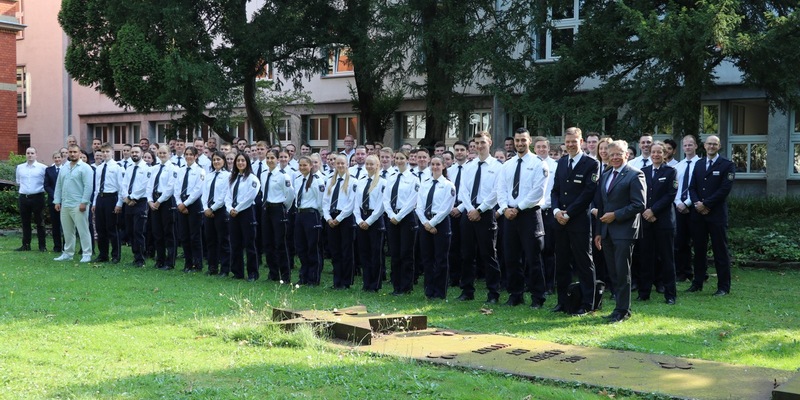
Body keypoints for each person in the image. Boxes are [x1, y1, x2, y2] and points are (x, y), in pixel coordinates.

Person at [593, 140, 646, 323]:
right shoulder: (606, 173)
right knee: (613, 272)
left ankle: (623, 310)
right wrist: (599, 231)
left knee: (623, 271)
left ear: (627, 155)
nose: (615, 157)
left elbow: (639, 204)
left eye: (619, 154)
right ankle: (618, 307)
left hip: (624, 230)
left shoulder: (635, 174)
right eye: (612, 154)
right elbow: (601, 205)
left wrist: (615, 215)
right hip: (607, 231)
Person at [497, 128, 550, 308]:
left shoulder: (538, 164)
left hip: (529, 215)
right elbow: (501, 189)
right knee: (511, 258)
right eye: (517, 140)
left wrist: (517, 208)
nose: (520, 143)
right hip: (510, 216)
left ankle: (538, 297)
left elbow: (538, 192)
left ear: (530, 142)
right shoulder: (508, 165)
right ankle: (515, 295)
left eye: (523, 140)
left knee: (533, 258)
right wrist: (505, 208)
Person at [551, 128, 600, 315]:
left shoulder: (591, 163)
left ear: (582, 142)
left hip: (578, 221)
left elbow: (588, 193)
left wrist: (568, 213)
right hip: (560, 221)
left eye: (574, 141)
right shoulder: (562, 162)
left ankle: (588, 302)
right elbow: (555, 190)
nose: (571, 145)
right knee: (562, 262)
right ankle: (563, 301)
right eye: (568, 141)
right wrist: (556, 211)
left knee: (584, 262)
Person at [456, 132, 502, 303]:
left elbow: (496, 192)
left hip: (486, 213)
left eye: (483, 142)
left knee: (489, 254)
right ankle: (467, 291)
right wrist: (470, 209)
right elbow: (463, 190)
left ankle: (493, 293)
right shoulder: (469, 166)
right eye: (476, 143)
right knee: (467, 254)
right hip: (469, 213)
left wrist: (480, 210)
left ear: (489, 142)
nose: (479, 146)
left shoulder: (498, 166)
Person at [688, 135, 735, 296]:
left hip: (716, 215)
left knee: (720, 250)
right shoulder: (699, 164)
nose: (711, 146)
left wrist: (706, 204)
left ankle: (723, 287)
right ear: (704, 145)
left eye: (715, 144)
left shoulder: (727, 165)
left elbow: (724, 189)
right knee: (699, 250)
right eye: (709, 144)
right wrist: (697, 204)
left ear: (719, 146)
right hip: (699, 215)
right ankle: (697, 283)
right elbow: (692, 187)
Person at [640, 142, 678, 304]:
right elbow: (638, 194)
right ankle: (644, 292)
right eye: (653, 152)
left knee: (667, 258)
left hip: (663, 222)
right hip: (646, 221)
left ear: (664, 155)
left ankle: (670, 294)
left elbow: (670, 195)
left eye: (659, 152)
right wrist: (645, 211)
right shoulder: (643, 172)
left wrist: (653, 211)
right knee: (645, 258)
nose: (655, 155)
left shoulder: (671, 172)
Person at [416, 155, 456, 300]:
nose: (435, 167)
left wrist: (432, 223)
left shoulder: (448, 185)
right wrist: (425, 223)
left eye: (438, 164)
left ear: (444, 166)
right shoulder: (424, 183)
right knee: (427, 259)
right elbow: (419, 206)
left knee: (440, 259)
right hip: (425, 222)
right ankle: (429, 290)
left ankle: (440, 292)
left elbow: (446, 208)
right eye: (432, 164)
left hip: (441, 224)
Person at [383, 150, 418, 295]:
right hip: (392, 218)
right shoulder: (391, 177)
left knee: (406, 253)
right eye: (396, 158)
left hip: (406, 217)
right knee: (395, 253)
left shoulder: (413, 178)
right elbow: (386, 198)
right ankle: (396, 285)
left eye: (402, 158)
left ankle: (406, 286)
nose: (399, 161)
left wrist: (400, 216)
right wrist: (391, 214)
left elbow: (413, 200)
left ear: (408, 159)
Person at [53, 145, 95, 263]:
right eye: (70, 152)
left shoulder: (85, 168)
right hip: (66, 203)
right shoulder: (64, 168)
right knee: (67, 231)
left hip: (79, 204)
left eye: (74, 152)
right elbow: (59, 185)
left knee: (83, 230)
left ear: (79, 153)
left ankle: (87, 253)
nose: (72, 154)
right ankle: (68, 253)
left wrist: (84, 202)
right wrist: (57, 201)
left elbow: (88, 186)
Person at [261, 149, 295, 283]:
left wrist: (284, 207)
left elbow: (290, 194)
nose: (269, 160)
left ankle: (285, 275)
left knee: (281, 244)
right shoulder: (264, 174)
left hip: (278, 209)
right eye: (267, 158)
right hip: (266, 209)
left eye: (272, 158)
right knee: (268, 243)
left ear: (277, 160)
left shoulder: (283, 176)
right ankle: (273, 273)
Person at [226, 152, 260, 281]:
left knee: (249, 243)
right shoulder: (232, 178)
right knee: (235, 243)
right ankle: (237, 272)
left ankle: (253, 273)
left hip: (246, 212)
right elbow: (227, 195)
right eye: (238, 161)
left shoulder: (252, 179)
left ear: (247, 163)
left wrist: (237, 209)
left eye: (243, 161)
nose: (240, 163)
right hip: (233, 213)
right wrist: (230, 208)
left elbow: (250, 197)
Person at [354, 155, 386, 292]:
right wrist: (359, 220)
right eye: (367, 164)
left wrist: (369, 221)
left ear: (377, 165)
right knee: (364, 252)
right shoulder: (361, 182)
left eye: (372, 164)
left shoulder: (382, 182)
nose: (368, 166)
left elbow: (381, 205)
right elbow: (356, 204)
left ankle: (375, 284)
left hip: (375, 219)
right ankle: (366, 283)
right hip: (362, 218)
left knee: (375, 253)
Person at [323, 155, 356, 289]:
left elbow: (351, 203)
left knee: (346, 250)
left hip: (345, 218)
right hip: (331, 218)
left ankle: (346, 281)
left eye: (343, 163)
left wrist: (339, 218)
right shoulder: (331, 180)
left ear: (347, 164)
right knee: (335, 251)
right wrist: (328, 218)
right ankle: (337, 281)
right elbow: (325, 201)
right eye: (338, 163)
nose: (340, 166)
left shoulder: (353, 181)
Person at [294, 156, 325, 286]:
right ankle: (304, 276)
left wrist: (319, 215)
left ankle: (313, 278)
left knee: (313, 247)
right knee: (301, 247)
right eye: (300, 165)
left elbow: (320, 200)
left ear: (311, 166)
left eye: (305, 165)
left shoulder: (317, 180)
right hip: (300, 214)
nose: (302, 168)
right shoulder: (297, 179)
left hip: (312, 215)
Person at [174, 147, 206, 272]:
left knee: (195, 236)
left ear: (196, 156)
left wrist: (186, 204)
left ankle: (197, 264)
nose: (188, 157)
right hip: (181, 204)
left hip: (194, 204)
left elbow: (198, 190)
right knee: (184, 236)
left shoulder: (200, 171)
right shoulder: (181, 170)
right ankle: (188, 263)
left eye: (191, 154)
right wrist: (179, 204)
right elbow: (177, 188)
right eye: (186, 154)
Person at [91, 143, 123, 263]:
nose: (105, 154)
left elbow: (121, 187)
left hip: (111, 198)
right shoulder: (99, 168)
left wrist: (119, 203)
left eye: (107, 152)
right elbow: (97, 187)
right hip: (100, 198)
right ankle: (103, 254)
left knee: (112, 228)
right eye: (103, 152)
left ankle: (116, 255)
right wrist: (94, 202)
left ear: (112, 152)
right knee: (100, 228)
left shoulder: (117, 167)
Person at [147, 145, 178, 270]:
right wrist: (149, 200)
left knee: (169, 233)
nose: (162, 155)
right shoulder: (154, 168)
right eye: (160, 153)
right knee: (157, 232)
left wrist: (159, 201)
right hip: (154, 202)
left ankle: (170, 262)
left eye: (164, 152)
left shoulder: (173, 168)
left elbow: (170, 187)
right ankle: (160, 260)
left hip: (166, 202)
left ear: (169, 153)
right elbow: (149, 185)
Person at [120, 145, 150, 267]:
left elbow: (144, 186)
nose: (134, 154)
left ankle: (140, 259)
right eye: (132, 152)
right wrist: (126, 198)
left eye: (136, 152)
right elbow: (124, 184)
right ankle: (135, 256)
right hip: (128, 203)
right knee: (130, 231)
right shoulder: (129, 168)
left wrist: (132, 197)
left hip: (140, 202)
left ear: (142, 153)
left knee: (139, 231)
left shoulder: (147, 168)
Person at [202, 151, 231, 276]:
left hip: (220, 210)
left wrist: (212, 209)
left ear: (224, 161)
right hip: (207, 210)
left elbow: (224, 195)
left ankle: (224, 269)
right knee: (210, 240)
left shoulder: (228, 176)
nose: (216, 162)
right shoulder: (209, 176)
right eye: (214, 160)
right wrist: (205, 208)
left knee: (223, 240)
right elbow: (204, 194)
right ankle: (212, 267)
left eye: (218, 159)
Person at [16, 147, 48, 252]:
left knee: (40, 222)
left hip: (38, 197)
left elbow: (46, 182)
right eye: (28, 153)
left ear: (36, 155)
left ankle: (42, 246)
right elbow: (18, 181)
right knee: (25, 222)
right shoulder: (20, 167)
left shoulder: (43, 168)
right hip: (24, 197)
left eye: (32, 153)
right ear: (25, 154)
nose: (30, 155)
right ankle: (26, 245)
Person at [44, 151, 64, 253]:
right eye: (55, 158)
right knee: (55, 225)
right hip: (53, 201)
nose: (57, 159)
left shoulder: (66, 169)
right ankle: (57, 246)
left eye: (59, 157)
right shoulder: (49, 170)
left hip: (65, 200)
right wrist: (55, 196)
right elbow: (46, 185)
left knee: (65, 225)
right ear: (53, 159)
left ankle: (66, 247)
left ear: (62, 158)